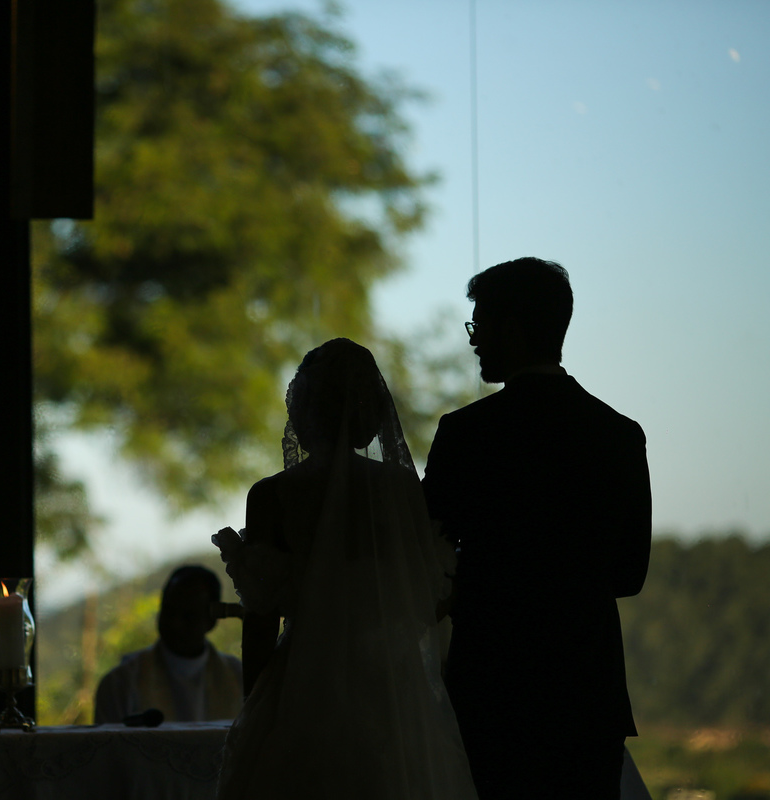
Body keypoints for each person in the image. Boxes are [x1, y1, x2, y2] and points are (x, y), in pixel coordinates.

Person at [422, 257, 652, 800]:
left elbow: (426, 555)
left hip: (491, 687)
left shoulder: (466, 434)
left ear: (511, 328)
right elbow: (629, 574)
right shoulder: (619, 434)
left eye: (479, 325)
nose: (474, 341)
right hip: (587, 692)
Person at [212, 338, 477, 800]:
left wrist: (254, 709)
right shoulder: (399, 490)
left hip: (301, 690)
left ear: (303, 409)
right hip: (390, 690)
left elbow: (260, 621)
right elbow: (427, 604)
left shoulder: (273, 495)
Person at [94, 565, 244, 724]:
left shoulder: (240, 678)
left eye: (188, 615)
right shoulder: (121, 683)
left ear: (211, 621)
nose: (175, 623)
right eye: (170, 611)